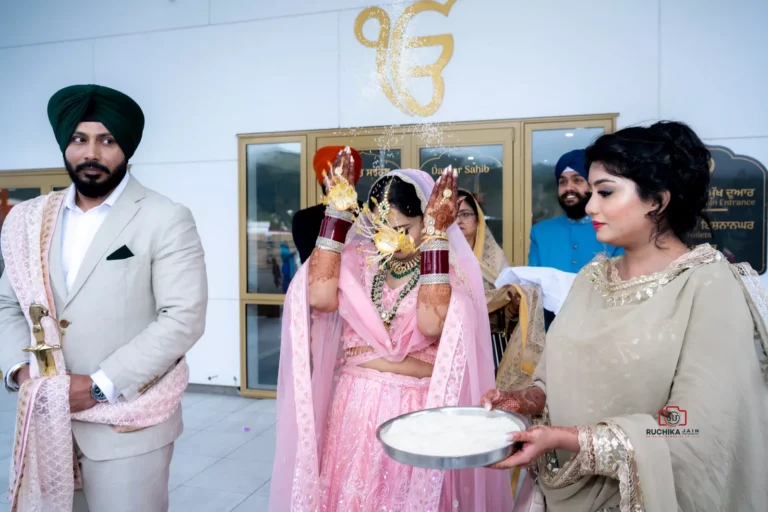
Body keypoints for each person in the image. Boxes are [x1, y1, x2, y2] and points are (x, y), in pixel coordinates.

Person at [482, 121, 768, 511]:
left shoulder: (707, 284)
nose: (590, 206)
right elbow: (558, 376)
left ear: (657, 200)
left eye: (605, 192)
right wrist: (526, 399)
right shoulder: (592, 277)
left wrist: (569, 438)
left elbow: (698, 426)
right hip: (558, 488)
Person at [0, 84, 208, 512]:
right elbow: (7, 303)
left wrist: (98, 387)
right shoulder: (31, 220)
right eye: (79, 139)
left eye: (107, 140)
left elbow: (182, 317)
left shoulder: (165, 217)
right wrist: (21, 372)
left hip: (127, 428)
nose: (91, 153)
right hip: (47, 422)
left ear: (126, 147)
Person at [269, 148, 511, 511]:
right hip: (354, 407)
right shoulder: (362, 261)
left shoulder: (442, 273)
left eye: (404, 230)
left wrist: (433, 239)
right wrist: (337, 211)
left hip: (413, 411)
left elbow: (430, 323)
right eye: (382, 230)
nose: (393, 241)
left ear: (426, 222)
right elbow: (318, 298)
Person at [456, 190, 545, 381]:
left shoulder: (494, 258)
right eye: (453, 215)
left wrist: (510, 300)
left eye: (465, 214)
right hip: (452, 340)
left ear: (478, 218)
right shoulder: (438, 257)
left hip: (492, 340)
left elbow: (507, 301)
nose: (459, 220)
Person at [291, 145, 363, 263]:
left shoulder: (370, 214)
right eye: (333, 173)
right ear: (323, 179)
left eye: (346, 172)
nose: (340, 179)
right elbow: (312, 263)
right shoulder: (304, 219)